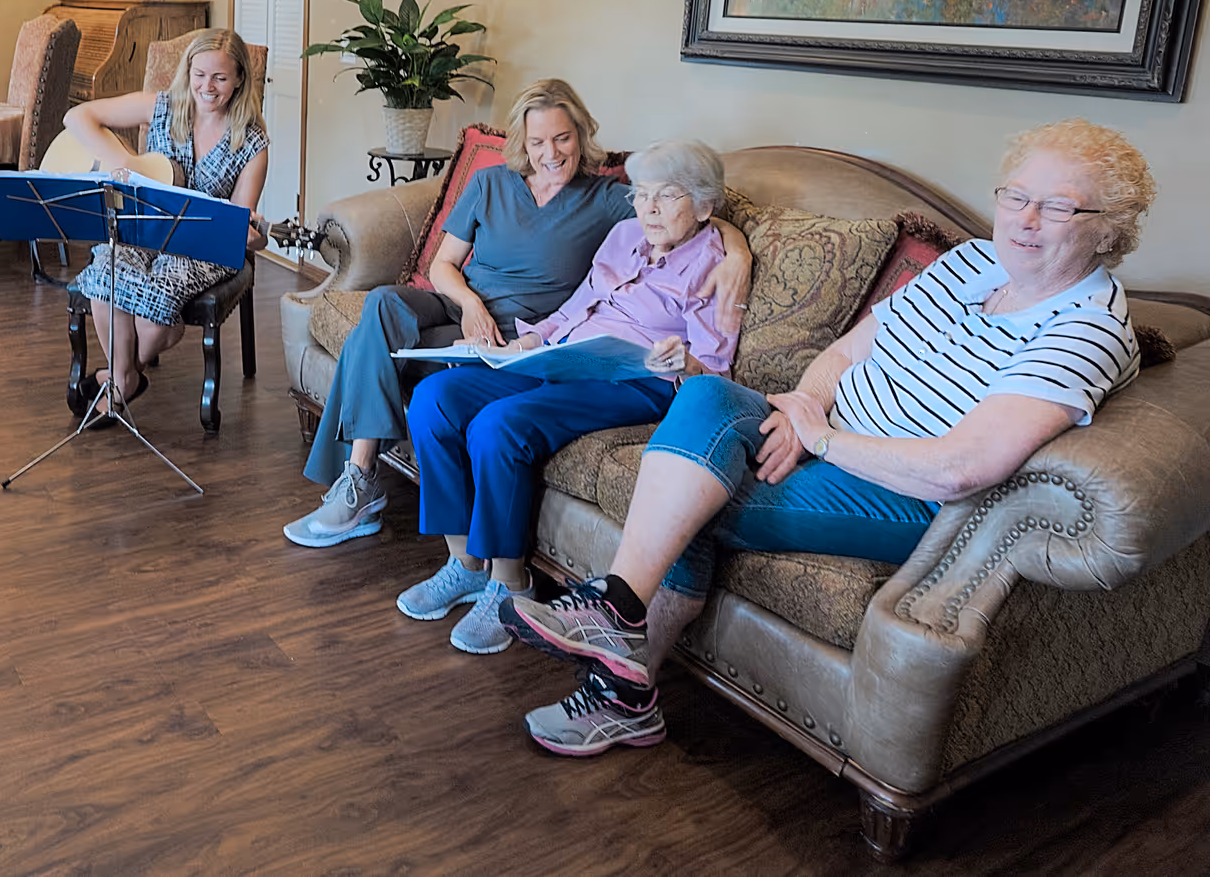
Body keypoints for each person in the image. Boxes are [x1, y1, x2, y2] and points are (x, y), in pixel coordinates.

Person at [500, 118, 1155, 758]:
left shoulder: (1087, 327)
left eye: (1058, 207)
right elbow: (846, 351)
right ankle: (619, 619)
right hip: (829, 435)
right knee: (703, 396)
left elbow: (963, 467)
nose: (1024, 219)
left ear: (1109, 229)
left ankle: (620, 677)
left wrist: (823, 438)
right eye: (1014, 196)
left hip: (905, 494)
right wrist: (806, 404)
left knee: (686, 500)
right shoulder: (973, 262)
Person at [284, 79, 752, 548]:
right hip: (461, 305)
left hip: (519, 333)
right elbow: (441, 265)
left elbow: (686, 214)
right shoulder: (491, 182)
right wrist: (470, 305)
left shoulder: (607, 199)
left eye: (563, 138)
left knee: (405, 371)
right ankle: (360, 477)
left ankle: (359, 488)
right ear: (522, 144)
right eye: (537, 141)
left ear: (582, 135)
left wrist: (737, 254)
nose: (551, 152)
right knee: (382, 304)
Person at [399, 140, 739, 653]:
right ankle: (465, 564)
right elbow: (579, 305)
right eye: (642, 195)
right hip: (564, 356)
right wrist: (528, 343)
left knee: (499, 425)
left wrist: (682, 363)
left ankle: (510, 585)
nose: (648, 209)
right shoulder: (624, 234)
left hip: (638, 380)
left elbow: (713, 368)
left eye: (667, 197)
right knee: (434, 398)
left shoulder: (713, 264)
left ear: (705, 205)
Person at [62, 28, 270, 423]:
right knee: (105, 271)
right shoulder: (160, 107)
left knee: (155, 315)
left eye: (220, 78)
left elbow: (241, 225)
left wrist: (255, 240)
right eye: (199, 75)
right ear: (187, 72)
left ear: (240, 78)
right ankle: (125, 381)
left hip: (201, 244)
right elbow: (77, 116)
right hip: (143, 228)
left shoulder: (252, 144)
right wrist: (129, 163)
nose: (206, 87)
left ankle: (119, 374)